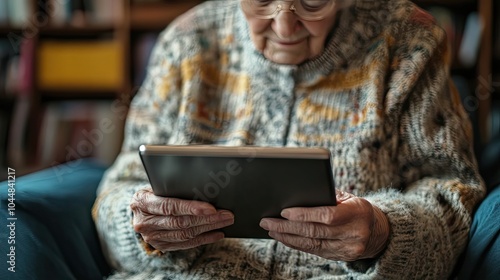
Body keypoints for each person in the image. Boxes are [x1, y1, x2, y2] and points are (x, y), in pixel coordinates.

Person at [92, 0, 486, 279]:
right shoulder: (187, 42)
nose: (284, 26)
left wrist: (383, 232)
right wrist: (142, 226)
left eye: (313, 3)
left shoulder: (409, 41)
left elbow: (452, 199)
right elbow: (115, 197)